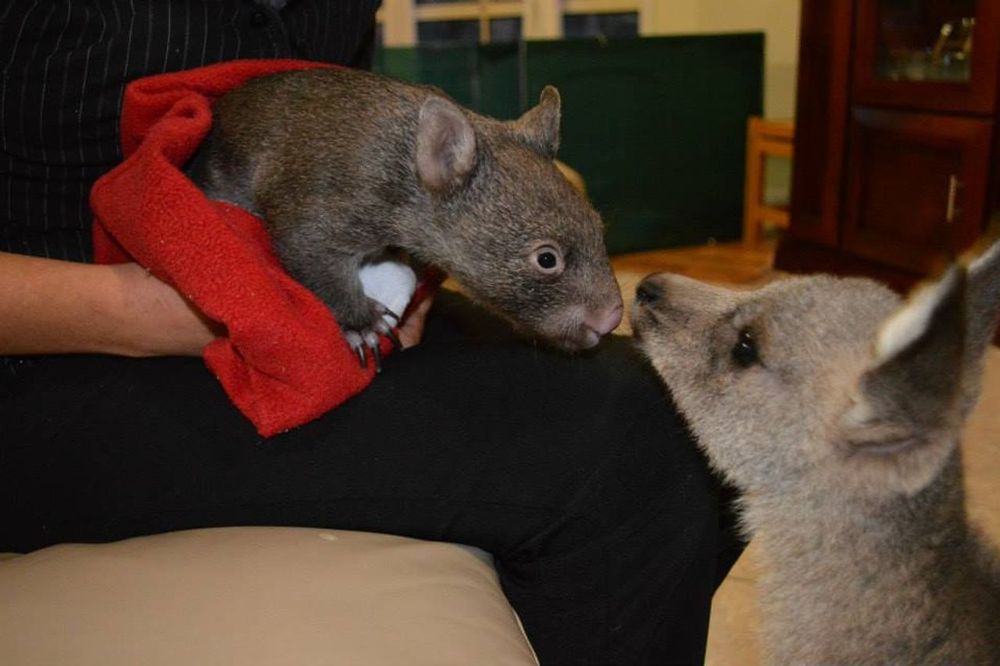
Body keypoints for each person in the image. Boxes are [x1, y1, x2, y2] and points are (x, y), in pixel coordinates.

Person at [0, 1, 742, 663]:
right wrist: (148, 311)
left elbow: (355, 149)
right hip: (53, 357)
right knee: (623, 444)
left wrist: (401, 277)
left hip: (302, 282)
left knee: (697, 405)